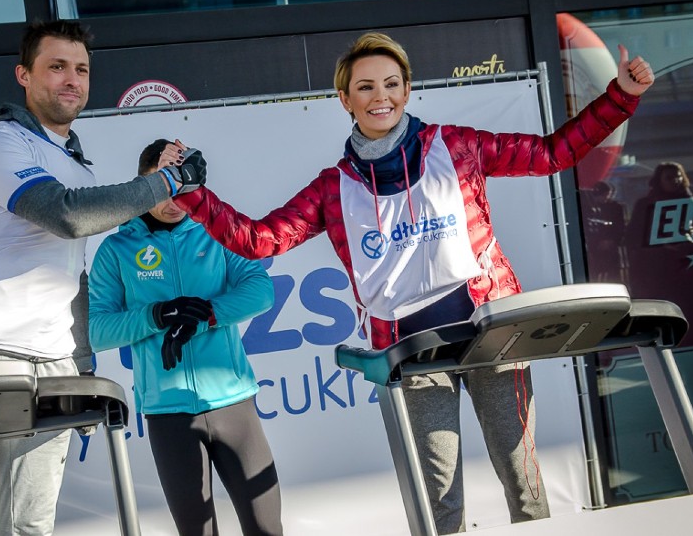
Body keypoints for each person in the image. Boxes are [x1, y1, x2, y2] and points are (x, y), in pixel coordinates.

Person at [172, 32, 654, 534]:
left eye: (390, 84)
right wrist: (189, 192)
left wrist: (619, 96)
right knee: (440, 504)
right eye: (365, 87)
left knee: (524, 486)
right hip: (412, 352)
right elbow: (259, 239)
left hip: (492, 335)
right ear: (345, 100)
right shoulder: (333, 188)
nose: (380, 96)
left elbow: (553, 153)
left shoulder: (459, 146)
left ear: (406, 91)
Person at [0, 20, 205, 536]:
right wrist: (164, 181)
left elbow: (85, 234)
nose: (72, 79)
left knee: (31, 525)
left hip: (51, 363)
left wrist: (153, 185)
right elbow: (66, 214)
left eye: (81, 69)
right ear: (23, 76)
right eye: (56, 67)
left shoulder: (78, 165)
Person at [88, 138, 283, 536]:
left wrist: (206, 314)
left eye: (181, 186)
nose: (173, 198)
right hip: (168, 414)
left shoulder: (214, 232)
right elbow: (97, 329)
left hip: (234, 404)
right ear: (143, 184)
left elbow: (260, 290)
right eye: (161, 185)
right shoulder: (116, 249)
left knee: (266, 529)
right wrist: (158, 314)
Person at [624, 161, 693, 345]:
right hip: (656, 273)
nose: (676, 180)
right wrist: (659, 244)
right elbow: (632, 237)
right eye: (669, 177)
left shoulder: (689, 201)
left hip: (685, 273)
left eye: (678, 175)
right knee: (663, 324)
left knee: (688, 323)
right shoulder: (646, 204)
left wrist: (690, 241)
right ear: (659, 180)